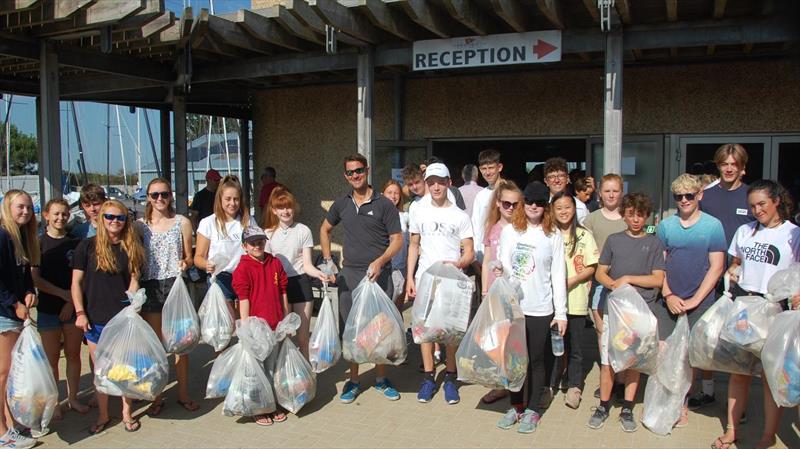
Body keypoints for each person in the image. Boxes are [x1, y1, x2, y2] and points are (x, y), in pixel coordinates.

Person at [713, 180, 800, 449]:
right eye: (752, 206)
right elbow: (736, 262)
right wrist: (733, 271)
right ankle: (731, 431)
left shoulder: (793, 234)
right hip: (745, 309)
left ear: (776, 201)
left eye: (762, 203)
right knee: (738, 373)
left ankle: (767, 436)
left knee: (770, 377)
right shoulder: (744, 231)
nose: (757, 210)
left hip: (776, 310)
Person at [320, 154, 403, 403]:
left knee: (379, 328)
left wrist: (380, 261)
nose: (355, 175)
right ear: (345, 175)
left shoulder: (384, 204)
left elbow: (397, 239)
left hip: (379, 274)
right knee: (351, 329)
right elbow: (324, 229)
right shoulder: (342, 203)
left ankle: (380, 378)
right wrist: (327, 260)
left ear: (367, 171)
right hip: (350, 275)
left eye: (359, 171)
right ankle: (354, 381)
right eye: (350, 172)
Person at [587, 192, 665, 433]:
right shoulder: (613, 240)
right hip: (615, 311)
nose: (636, 220)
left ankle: (628, 407)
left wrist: (628, 279)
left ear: (647, 216)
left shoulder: (654, 242)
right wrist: (611, 285)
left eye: (640, 215)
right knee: (608, 361)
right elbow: (601, 272)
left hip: (642, 313)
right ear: (624, 215)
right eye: (631, 214)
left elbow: (658, 279)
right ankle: (603, 406)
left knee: (634, 361)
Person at [494, 181, 567, 434]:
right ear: (523, 204)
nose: (534, 206)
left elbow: (558, 275)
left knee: (536, 359)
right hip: (514, 307)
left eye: (540, 202)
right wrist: (499, 270)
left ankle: (534, 408)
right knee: (514, 360)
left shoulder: (553, 235)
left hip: (540, 307)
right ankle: (516, 406)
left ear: (546, 206)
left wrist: (561, 313)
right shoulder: (511, 231)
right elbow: (503, 263)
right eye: (530, 202)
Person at [654, 173, 726, 428]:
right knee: (664, 352)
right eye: (678, 196)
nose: (684, 200)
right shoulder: (665, 225)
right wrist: (668, 294)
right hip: (668, 300)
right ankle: (663, 401)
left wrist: (696, 299)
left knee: (687, 357)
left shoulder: (713, 226)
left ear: (700, 195)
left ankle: (681, 404)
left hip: (700, 301)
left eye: (689, 195)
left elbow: (717, 266)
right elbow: (658, 265)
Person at [72, 199, 145, 434]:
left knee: (125, 369)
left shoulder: (131, 246)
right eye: (110, 217)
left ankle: (126, 412)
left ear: (126, 221)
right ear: (101, 219)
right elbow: (76, 283)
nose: (114, 221)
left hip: (122, 318)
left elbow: (134, 279)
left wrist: (133, 305)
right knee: (100, 371)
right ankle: (103, 415)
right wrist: (80, 312)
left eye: (120, 217)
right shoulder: (87, 246)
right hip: (94, 319)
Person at [406, 163, 474, 405]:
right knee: (425, 330)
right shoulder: (417, 211)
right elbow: (414, 245)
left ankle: (451, 379)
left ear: (449, 183)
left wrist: (459, 263)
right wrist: (410, 278)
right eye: (431, 181)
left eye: (440, 181)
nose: (436, 186)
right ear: (427, 183)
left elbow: (470, 252)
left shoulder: (460, 215)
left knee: (450, 332)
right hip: (425, 278)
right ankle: (428, 378)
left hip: (451, 281)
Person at [695, 143, 755, 410]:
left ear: (742, 167)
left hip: (739, 278)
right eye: (724, 164)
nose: (729, 168)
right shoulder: (705, 195)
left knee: (737, 341)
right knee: (707, 334)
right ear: (718, 166)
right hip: (708, 274)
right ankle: (707, 392)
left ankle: (737, 405)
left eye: (734, 164)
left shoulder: (751, 196)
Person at [137, 178, 199, 416]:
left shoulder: (181, 222)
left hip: (175, 285)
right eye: (154, 195)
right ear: (148, 198)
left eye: (164, 194)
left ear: (171, 195)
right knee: (155, 346)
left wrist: (186, 262)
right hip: (150, 286)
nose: (160, 199)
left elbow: (189, 255)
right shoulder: (139, 226)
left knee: (180, 345)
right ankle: (157, 395)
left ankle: (183, 393)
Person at [32, 199, 88, 421]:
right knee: (51, 358)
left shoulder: (76, 243)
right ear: (46, 215)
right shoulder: (37, 243)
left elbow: (81, 279)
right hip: (47, 309)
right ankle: (54, 402)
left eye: (64, 214)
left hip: (72, 308)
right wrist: (61, 294)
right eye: (55, 214)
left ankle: (73, 398)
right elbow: (36, 279)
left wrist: (70, 302)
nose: (60, 218)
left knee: (74, 355)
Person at [262, 187, 331, 358]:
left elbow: (307, 265)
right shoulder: (268, 234)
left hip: (301, 283)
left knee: (302, 337)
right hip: (278, 286)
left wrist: (319, 273)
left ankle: (306, 372)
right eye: (281, 207)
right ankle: (282, 373)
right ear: (274, 210)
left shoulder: (303, 230)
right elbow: (266, 265)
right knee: (282, 336)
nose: (285, 211)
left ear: (294, 208)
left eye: (288, 207)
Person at [232, 225, 289, 426]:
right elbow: (243, 298)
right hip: (256, 328)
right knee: (256, 370)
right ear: (244, 246)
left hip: (275, 325)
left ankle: (273, 403)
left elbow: (283, 291)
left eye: (260, 241)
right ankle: (258, 407)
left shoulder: (274, 263)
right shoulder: (243, 268)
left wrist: (286, 318)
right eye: (252, 243)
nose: (257, 246)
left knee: (273, 368)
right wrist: (245, 326)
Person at [551, 191, 599, 410]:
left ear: (574, 209)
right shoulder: (548, 234)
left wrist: (571, 281)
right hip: (550, 302)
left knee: (576, 346)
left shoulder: (584, 235)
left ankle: (574, 386)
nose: (563, 211)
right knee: (553, 346)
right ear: (552, 210)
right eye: (558, 207)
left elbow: (592, 265)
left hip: (577, 299)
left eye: (567, 207)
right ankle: (549, 385)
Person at [478, 180, 523, 405]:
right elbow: (486, 259)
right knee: (496, 339)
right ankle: (500, 384)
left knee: (515, 341)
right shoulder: (492, 228)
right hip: (495, 291)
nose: (510, 208)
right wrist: (485, 290)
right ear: (498, 203)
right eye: (506, 203)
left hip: (516, 292)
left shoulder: (523, 229)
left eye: (515, 204)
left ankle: (516, 383)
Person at [0, 191, 38, 449]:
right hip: (4, 314)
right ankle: (3, 432)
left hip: (14, 312)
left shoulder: (20, 237)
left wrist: (29, 292)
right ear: (7, 208)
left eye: (29, 208)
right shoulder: (2, 236)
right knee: (2, 374)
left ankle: (10, 421)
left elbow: (23, 273)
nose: (25, 212)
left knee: (10, 373)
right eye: (20, 207)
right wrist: (14, 303)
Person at [194, 175, 255, 306]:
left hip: (245, 277)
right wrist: (206, 264)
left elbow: (257, 248)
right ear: (220, 199)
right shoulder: (208, 223)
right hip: (220, 278)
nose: (232, 203)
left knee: (245, 323)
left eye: (236, 199)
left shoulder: (248, 221)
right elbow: (198, 258)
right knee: (227, 322)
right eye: (228, 199)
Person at [582, 174, 627, 346]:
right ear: (600, 193)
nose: (611, 195)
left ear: (621, 192)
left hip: (623, 279)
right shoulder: (591, 219)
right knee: (601, 327)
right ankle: (605, 365)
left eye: (615, 191)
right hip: (598, 280)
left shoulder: (628, 218)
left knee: (622, 329)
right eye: (607, 191)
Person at [471, 149, 504, 264]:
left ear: (499, 167)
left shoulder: (509, 191)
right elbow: (476, 226)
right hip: (483, 255)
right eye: (484, 169)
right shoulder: (480, 195)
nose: (487, 172)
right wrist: (475, 254)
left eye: (491, 168)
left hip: (504, 252)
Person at [382, 180, 409, 311]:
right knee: (385, 309)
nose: (393, 196)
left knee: (398, 310)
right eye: (390, 192)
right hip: (385, 268)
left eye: (396, 193)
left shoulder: (405, 216)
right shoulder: (378, 215)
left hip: (401, 268)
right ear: (383, 194)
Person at [542, 157, 588, 224]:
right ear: (546, 181)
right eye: (552, 177)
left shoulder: (579, 207)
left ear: (567, 179)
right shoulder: (540, 206)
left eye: (561, 176)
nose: (557, 180)